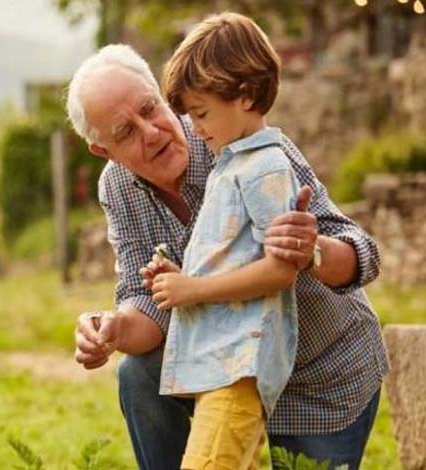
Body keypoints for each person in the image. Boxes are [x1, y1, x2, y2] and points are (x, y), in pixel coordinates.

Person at [65, 42, 388, 469]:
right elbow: (149, 302)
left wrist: (312, 247)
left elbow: (362, 253)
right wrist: (112, 328)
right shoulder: (117, 188)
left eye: (150, 109)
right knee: (138, 372)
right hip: (226, 377)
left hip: (318, 376)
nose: (151, 132)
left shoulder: (244, 139)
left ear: (163, 95)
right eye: (125, 132)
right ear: (104, 151)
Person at [145, 12, 302, 468]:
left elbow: (281, 268)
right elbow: (233, 259)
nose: (195, 128)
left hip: (239, 367)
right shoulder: (228, 166)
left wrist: (194, 290)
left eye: (201, 113)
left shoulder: (266, 167)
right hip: (218, 366)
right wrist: (181, 278)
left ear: (246, 96)